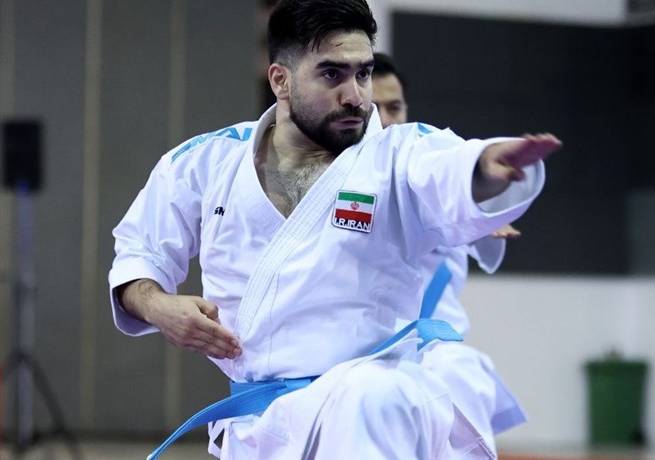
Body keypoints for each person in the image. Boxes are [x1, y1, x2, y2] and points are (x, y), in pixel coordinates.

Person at [109, 0, 560, 458]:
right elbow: (140, 251)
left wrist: (486, 166)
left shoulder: (398, 154)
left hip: (368, 409)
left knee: (377, 395)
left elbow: (449, 167)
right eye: (332, 75)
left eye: (363, 73)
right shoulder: (205, 162)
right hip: (258, 426)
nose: (356, 96)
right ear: (280, 81)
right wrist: (158, 306)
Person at [373, 52, 527, 455]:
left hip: (433, 350)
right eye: (374, 108)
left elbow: (455, 184)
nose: (386, 119)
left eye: (395, 107)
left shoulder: (427, 164)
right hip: (356, 355)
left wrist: (478, 205)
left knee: (460, 369)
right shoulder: (333, 180)